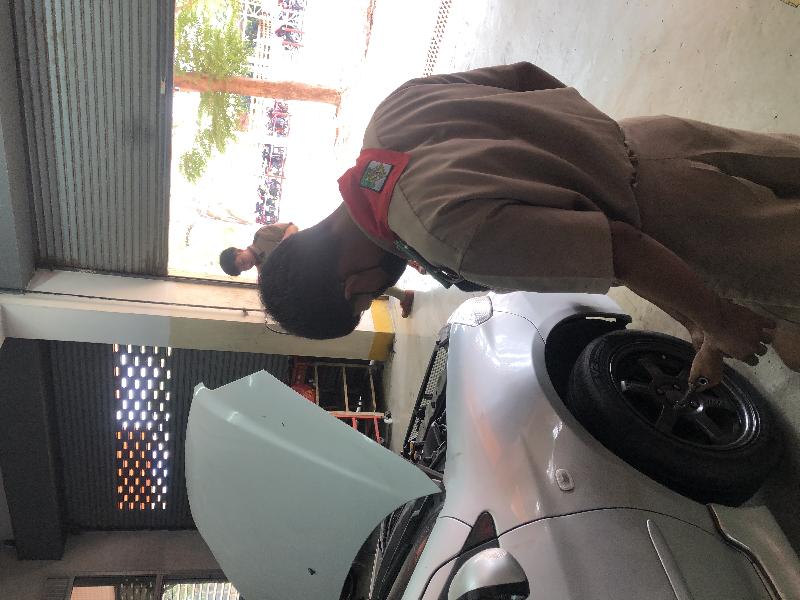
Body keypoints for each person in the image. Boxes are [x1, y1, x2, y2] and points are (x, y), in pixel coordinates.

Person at [259, 62, 799, 384]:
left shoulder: (447, 237)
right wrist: (585, 143)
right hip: (652, 136)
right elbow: (525, 76)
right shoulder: (391, 115)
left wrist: (719, 320)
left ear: (352, 283)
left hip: (685, 219)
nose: (377, 293)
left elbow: (622, 250)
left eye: (363, 301)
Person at [220, 223, 416, 317]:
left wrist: (287, 241)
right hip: (318, 272)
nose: (245, 266)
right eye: (241, 269)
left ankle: (411, 257)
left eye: (240, 262)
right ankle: (403, 295)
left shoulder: (262, 234)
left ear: (238, 251)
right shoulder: (264, 273)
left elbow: (291, 226)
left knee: (364, 251)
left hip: (319, 248)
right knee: (359, 282)